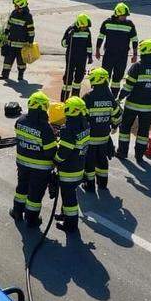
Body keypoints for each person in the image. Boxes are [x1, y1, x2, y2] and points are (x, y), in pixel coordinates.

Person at [11, 91, 58, 228]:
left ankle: (17, 212)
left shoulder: (20, 121)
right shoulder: (45, 128)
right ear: (45, 107)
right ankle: (31, 220)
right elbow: (50, 152)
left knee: (22, 189)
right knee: (35, 195)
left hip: (22, 164)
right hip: (41, 168)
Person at [116, 38, 151, 162]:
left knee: (125, 129)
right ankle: (139, 156)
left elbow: (128, 86)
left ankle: (122, 153)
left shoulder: (137, 67)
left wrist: (120, 97)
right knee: (143, 133)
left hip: (132, 105)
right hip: (148, 107)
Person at [54, 96, 91, 233]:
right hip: (79, 166)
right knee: (68, 195)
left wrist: (55, 160)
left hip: (69, 170)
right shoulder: (84, 124)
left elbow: (64, 151)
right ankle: (64, 215)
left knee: (69, 199)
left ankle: (70, 225)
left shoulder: (69, 128)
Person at [82, 68, 121, 192]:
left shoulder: (88, 97)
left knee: (89, 162)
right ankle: (103, 184)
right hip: (104, 137)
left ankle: (89, 185)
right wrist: (114, 126)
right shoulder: (110, 98)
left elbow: (82, 118)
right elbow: (117, 115)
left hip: (90, 138)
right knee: (102, 161)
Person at [96, 3, 139, 99]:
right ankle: (103, 96)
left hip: (122, 56)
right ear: (117, 14)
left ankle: (114, 99)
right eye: (123, 15)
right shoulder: (107, 23)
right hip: (109, 54)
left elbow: (134, 40)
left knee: (117, 78)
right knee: (105, 76)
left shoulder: (129, 24)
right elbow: (101, 37)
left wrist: (135, 54)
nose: (125, 17)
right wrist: (97, 50)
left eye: (126, 16)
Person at [0, 0, 34, 82]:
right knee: (8, 59)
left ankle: (20, 75)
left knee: (21, 62)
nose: (15, 7)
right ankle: (4, 75)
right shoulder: (14, 13)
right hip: (11, 42)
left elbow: (31, 31)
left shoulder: (28, 16)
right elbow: (9, 23)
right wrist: (6, 31)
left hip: (22, 44)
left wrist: (30, 42)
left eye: (16, 6)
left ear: (21, 6)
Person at [61, 13, 93, 100]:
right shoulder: (70, 29)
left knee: (78, 78)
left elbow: (89, 45)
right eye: (84, 27)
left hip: (82, 58)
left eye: (86, 27)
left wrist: (90, 56)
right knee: (68, 78)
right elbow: (63, 44)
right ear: (79, 24)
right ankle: (64, 99)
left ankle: (75, 97)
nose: (85, 29)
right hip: (71, 56)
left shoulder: (87, 31)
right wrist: (69, 37)